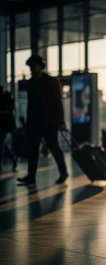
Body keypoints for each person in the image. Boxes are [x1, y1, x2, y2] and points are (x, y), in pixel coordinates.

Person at [17, 55, 68, 186]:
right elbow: (31, 105)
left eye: (33, 66)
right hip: (35, 123)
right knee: (33, 149)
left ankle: (63, 173)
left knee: (53, 147)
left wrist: (61, 121)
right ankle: (31, 176)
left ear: (40, 66)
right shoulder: (32, 83)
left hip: (49, 122)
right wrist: (27, 124)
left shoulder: (51, 82)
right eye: (30, 67)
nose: (31, 69)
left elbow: (58, 103)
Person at [0, 87, 18, 172]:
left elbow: (8, 110)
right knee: (2, 144)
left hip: (5, 125)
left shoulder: (7, 98)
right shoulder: (7, 96)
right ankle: (13, 157)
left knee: (1, 143)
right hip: (5, 125)